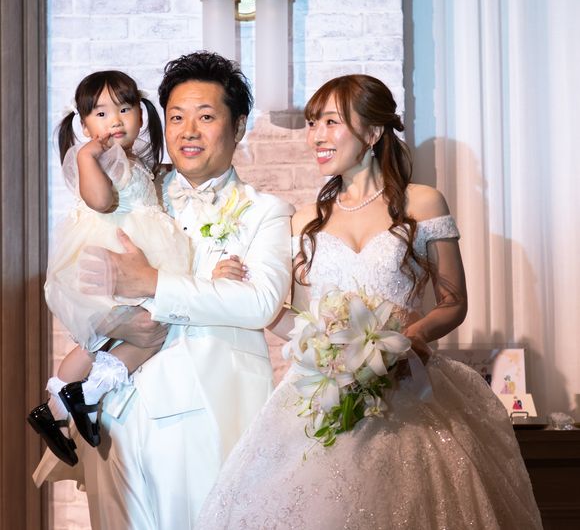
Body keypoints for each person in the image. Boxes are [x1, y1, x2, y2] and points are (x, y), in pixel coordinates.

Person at [196, 74, 542, 529]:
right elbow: (295, 319)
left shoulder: (423, 203)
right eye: (313, 124)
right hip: (326, 393)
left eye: (331, 122)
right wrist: (248, 298)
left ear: (374, 132)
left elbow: (453, 302)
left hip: (408, 387)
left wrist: (405, 341)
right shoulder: (305, 220)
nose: (317, 137)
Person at [48, 52, 294, 529]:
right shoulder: (135, 187)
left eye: (206, 117)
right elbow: (84, 275)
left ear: (239, 127)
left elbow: (261, 302)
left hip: (203, 415)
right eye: (177, 117)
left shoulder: (266, 211)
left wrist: (153, 283)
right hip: (114, 417)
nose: (188, 131)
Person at [28, 70, 190, 465]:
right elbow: (100, 201)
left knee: (99, 341)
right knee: (149, 331)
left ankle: (57, 406)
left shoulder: (132, 158)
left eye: (124, 109)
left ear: (141, 114)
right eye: (101, 114)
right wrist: (87, 156)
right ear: (85, 126)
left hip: (133, 255)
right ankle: (82, 395)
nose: (115, 120)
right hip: (111, 256)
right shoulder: (96, 157)